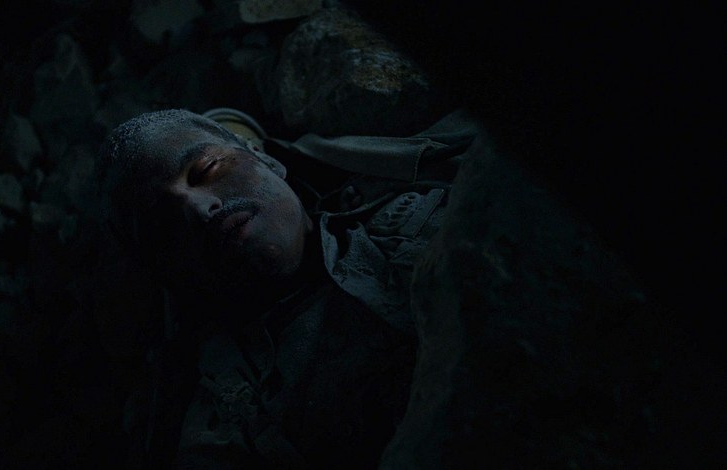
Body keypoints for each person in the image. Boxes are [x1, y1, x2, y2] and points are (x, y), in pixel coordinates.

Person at [97, 107, 481, 468]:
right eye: (164, 226)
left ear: (267, 160)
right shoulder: (230, 418)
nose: (199, 209)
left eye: (207, 170)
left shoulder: (417, 179)